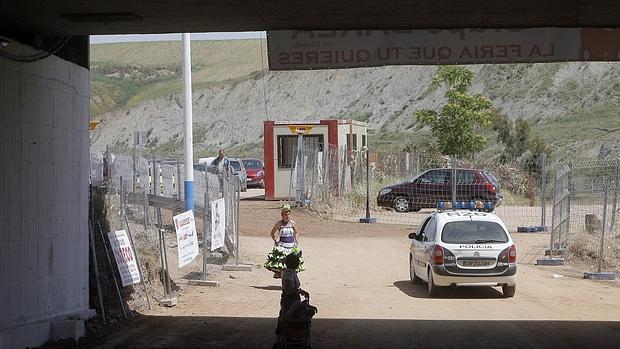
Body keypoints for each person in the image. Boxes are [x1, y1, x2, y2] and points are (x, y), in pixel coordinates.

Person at [274, 253, 309, 347]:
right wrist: (298, 291)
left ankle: (279, 339)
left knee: (285, 318)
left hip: (290, 298)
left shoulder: (288, 272)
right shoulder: (289, 274)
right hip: (290, 300)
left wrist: (299, 291)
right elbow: (289, 289)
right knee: (288, 318)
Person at [264, 204, 305, 278]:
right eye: (285, 214)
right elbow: (272, 233)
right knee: (283, 265)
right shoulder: (279, 223)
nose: (287, 216)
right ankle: (283, 282)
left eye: (288, 214)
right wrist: (275, 240)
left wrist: (296, 241)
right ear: (282, 215)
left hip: (291, 246)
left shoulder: (293, 223)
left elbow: (297, 232)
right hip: (282, 246)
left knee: (292, 265)